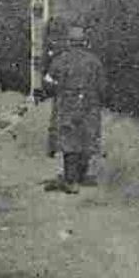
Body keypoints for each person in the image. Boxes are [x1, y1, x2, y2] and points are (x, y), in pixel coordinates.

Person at [44, 25, 105, 193]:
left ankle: (71, 180)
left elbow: (48, 82)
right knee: (87, 137)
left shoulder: (60, 59)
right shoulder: (94, 61)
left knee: (69, 140)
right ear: (84, 42)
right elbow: (102, 86)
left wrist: (57, 88)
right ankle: (81, 175)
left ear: (69, 42)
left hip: (67, 103)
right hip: (89, 104)